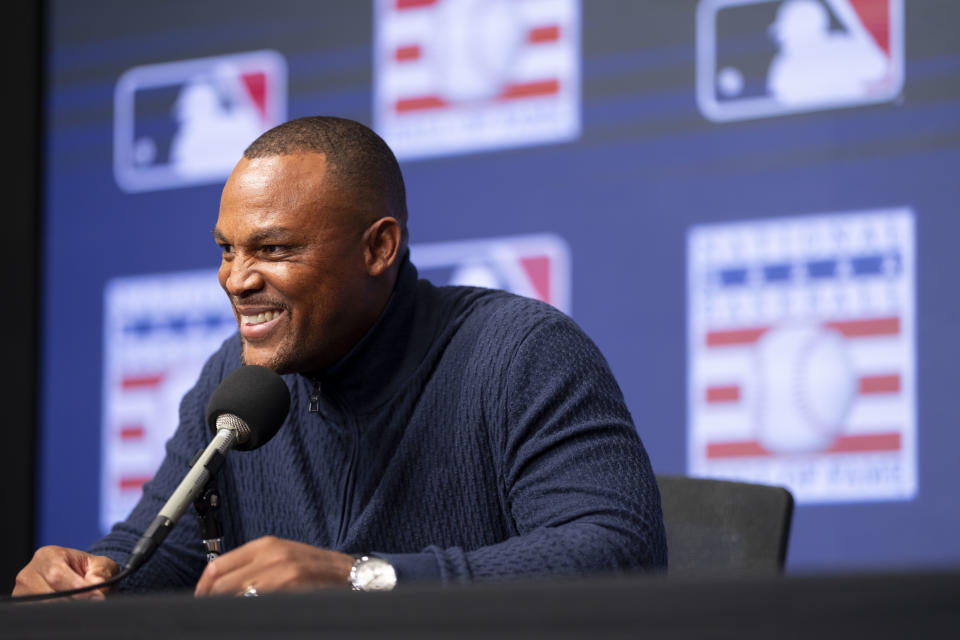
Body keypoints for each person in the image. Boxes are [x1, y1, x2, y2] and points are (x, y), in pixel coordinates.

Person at [14, 116, 666, 598]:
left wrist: (362, 578)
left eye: (271, 250)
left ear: (378, 249)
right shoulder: (236, 383)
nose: (236, 279)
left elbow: (618, 550)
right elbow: (158, 555)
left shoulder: (520, 353)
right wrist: (85, 578)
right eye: (226, 249)